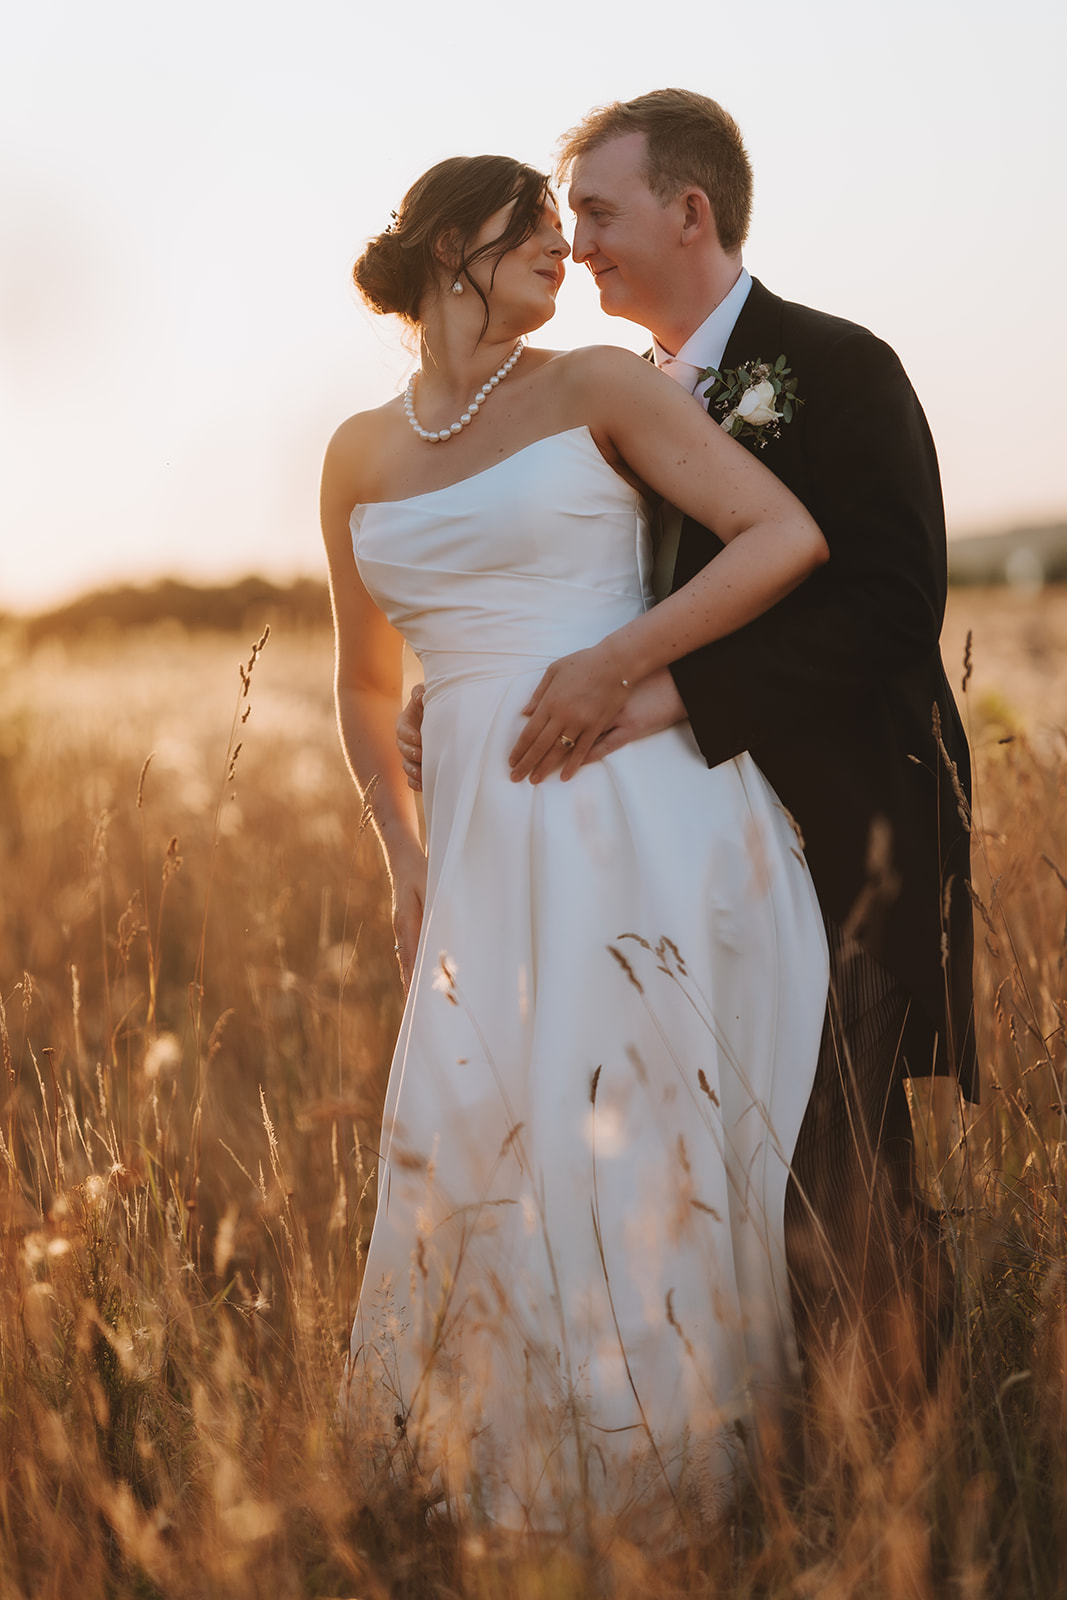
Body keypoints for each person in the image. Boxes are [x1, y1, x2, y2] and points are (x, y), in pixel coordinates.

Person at [398, 92, 977, 1407]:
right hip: (673, 848)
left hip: (845, 826)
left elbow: (893, 606)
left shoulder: (836, 365)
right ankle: (746, 1422)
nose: (578, 244)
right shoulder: (619, 402)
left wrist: (665, 697)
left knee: (840, 1152)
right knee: (711, 1138)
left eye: (596, 213)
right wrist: (465, 687)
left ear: (690, 212)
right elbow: (593, 602)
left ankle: (903, 1457)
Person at [323, 152, 830, 1532]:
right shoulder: (357, 451)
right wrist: (403, 853)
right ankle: (496, 1487)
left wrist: (614, 662)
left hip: (630, 811)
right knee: (478, 1133)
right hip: (476, 850)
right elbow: (368, 685)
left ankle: (667, 1487)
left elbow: (779, 536)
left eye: (571, 224)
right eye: (529, 228)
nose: (564, 248)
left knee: (625, 1136)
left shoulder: (599, 386)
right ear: (444, 250)